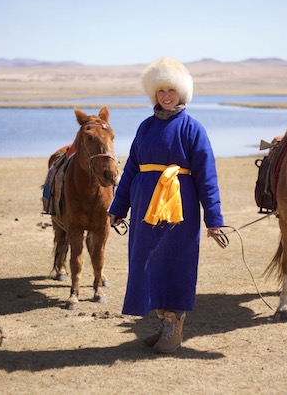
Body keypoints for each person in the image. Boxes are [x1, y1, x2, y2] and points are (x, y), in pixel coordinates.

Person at [108, 56, 224, 353]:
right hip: (145, 208)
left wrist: (214, 219)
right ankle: (163, 320)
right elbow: (132, 169)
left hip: (179, 211)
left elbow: (206, 176)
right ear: (154, 94)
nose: (167, 96)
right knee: (147, 263)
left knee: (175, 263)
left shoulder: (192, 129)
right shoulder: (145, 128)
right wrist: (118, 208)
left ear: (182, 93)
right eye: (161, 92)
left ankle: (175, 322)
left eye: (172, 91)